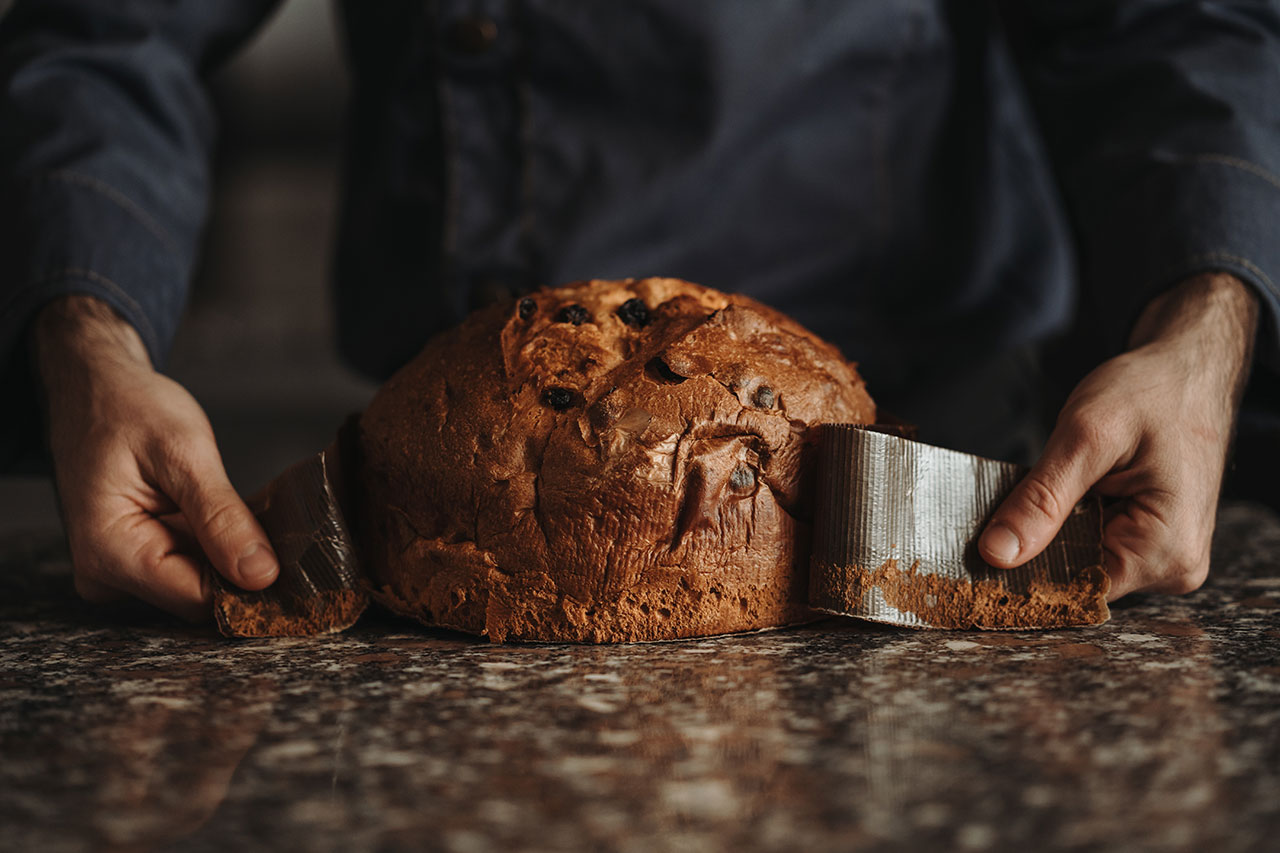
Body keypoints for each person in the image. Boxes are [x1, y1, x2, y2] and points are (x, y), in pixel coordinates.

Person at [0, 1, 1276, 623]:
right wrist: (84, 330)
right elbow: (107, 31)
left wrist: (1199, 322)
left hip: (918, 488)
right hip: (439, 489)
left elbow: (1166, 24)